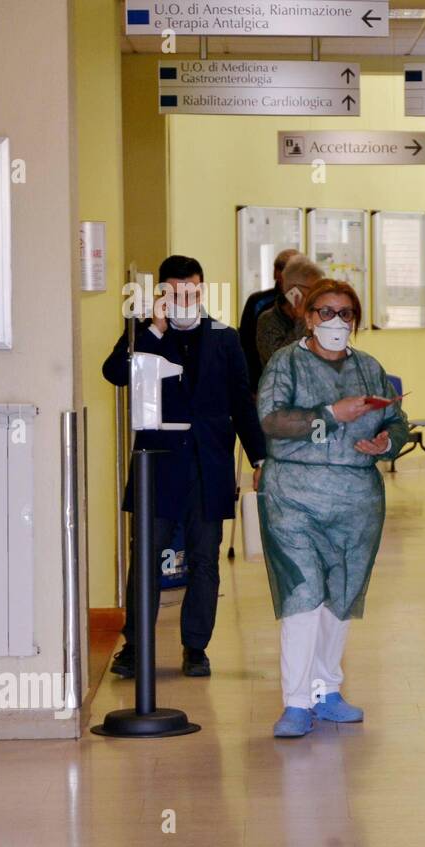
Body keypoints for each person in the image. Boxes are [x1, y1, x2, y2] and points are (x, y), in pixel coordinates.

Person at [256, 279, 411, 738]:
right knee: (302, 596)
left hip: (356, 498)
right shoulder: (286, 363)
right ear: (307, 317)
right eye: (326, 312)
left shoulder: (369, 367)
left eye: (346, 313)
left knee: (341, 598)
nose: (336, 322)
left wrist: (387, 443)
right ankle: (296, 701)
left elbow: (395, 420)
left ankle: (327, 689)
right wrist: (329, 413)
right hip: (294, 497)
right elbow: (270, 418)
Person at [102, 255, 266, 678]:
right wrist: (155, 330)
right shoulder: (144, 333)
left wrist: (260, 457)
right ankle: (135, 647)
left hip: (208, 467)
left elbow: (241, 403)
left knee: (204, 558)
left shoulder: (224, 338)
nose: (184, 298)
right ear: (161, 293)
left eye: (192, 290)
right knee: (146, 557)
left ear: (203, 289)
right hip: (157, 467)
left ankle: (196, 646)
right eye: (174, 291)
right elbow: (115, 373)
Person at [239, 247, 301, 394]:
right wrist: (252, 389)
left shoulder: (313, 305)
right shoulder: (259, 304)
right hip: (267, 386)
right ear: (277, 274)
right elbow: (247, 348)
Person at [255, 255, 324, 370]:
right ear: (294, 291)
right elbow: (281, 361)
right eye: (313, 289)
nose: (318, 295)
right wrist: (300, 320)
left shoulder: (319, 317)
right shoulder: (267, 320)